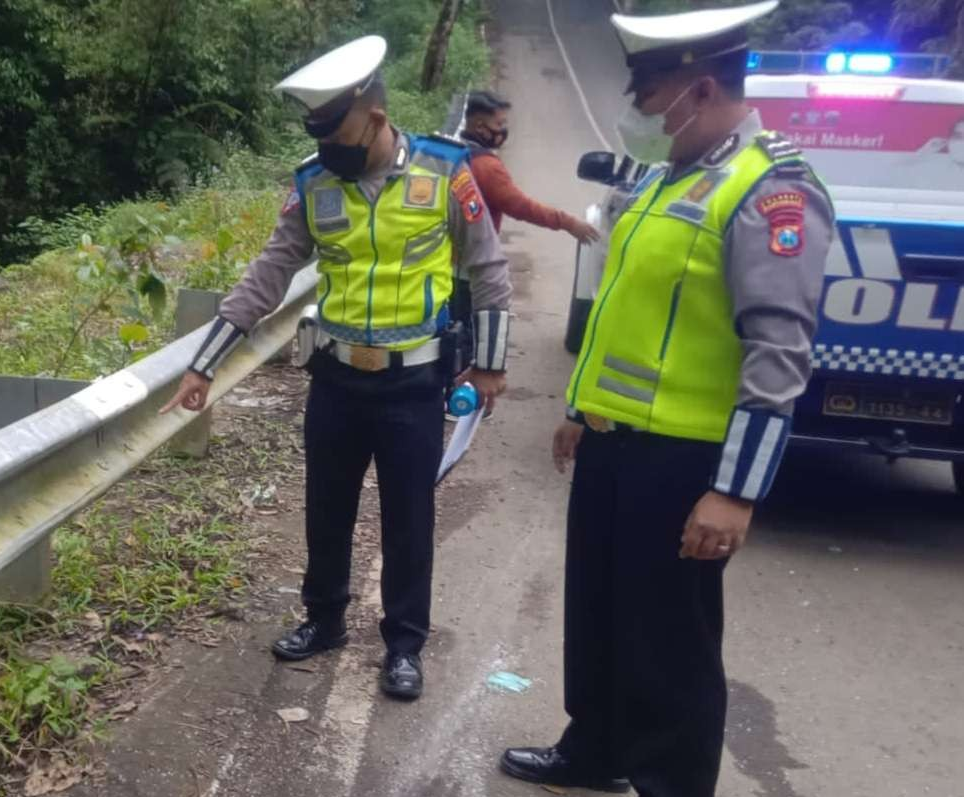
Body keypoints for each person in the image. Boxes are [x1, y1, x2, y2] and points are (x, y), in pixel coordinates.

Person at [497, 1, 835, 795]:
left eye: (646, 97)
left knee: (671, 644)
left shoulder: (769, 191)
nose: (637, 113)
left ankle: (669, 781)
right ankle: (597, 750)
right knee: (602, 615)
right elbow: (625, 310)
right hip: (617, 445)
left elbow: (779, 351)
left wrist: (735, 489)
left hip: (684, 460)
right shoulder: (669, 178)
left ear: (701, 89)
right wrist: (582, 410)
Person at [160, 35, 512, 701]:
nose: (328, 145)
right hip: (337, 379)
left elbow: (490, 271)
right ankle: (324, 619)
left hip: (415, 381)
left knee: (409, 518)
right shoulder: (315, 181)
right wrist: (205, 362)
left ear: (375, 118)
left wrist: (489, 367)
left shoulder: (445, 172)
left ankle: (405, 643)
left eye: (337, 130)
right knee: (327, 509)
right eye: (317, 132)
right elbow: (269, 272)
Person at [461, 90, 601, 245]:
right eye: (499, 124)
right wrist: (568, 223)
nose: (502, 131)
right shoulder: (487, 167)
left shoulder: (455, 152)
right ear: (480, 127)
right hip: (472, 256)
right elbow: (521, 207)